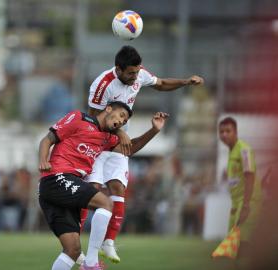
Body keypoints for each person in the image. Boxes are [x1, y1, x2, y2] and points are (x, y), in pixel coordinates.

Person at [82, 45, 204, 263]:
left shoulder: (138, 75)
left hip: (118, 144)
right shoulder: (103, 85)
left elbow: (161, 84)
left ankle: (108, 241)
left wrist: (186, 82)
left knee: (118, 188)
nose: (135, 77)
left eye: (137, 72)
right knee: (92, 192)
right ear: (118, 69)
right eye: (131, 73)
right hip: (97, 143)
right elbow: (93, 118)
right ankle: (76, 239)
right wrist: (119, 131)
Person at [38, 101, 168, 270]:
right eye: (121, 115)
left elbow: (130, 148)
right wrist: (43, 160)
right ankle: (91, 263)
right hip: (57, 177)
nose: (121, 121)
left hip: (58, 191)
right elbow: (48, 139)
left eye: (124, 121)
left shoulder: (108, 138)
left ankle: (87, 261)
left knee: (72, 250)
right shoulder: (79, 118)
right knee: (105, 203)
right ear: (108, 109)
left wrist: (154, 130)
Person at [218, 117, 263, 257]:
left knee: (242, 242)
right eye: (221, 132)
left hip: (249, 202)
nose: (224, 134)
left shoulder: (244, 150)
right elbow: (237, 180)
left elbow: (250, 176)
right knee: (232, 246)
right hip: (237, 203)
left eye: (228, 131)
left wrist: (246, 205)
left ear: (236, 132)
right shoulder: (232, 151)